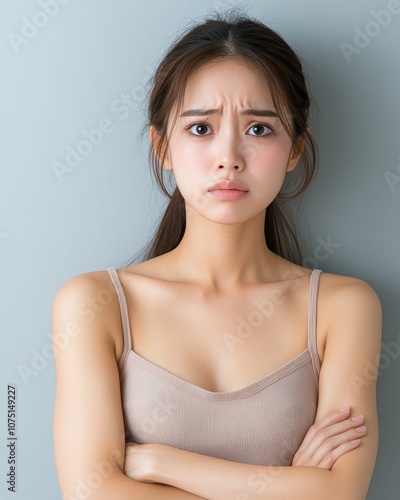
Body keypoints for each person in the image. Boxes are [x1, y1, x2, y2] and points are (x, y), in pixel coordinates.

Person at [52, 9, 382, 499]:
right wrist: (292, 486)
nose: (229, 155)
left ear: (295, 150)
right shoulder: (94, 303)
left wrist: (159, 462)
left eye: (259, 129)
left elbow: (341, 494)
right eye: (201, 129)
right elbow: (91, 494)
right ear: (162, 146)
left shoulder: (344, 307)